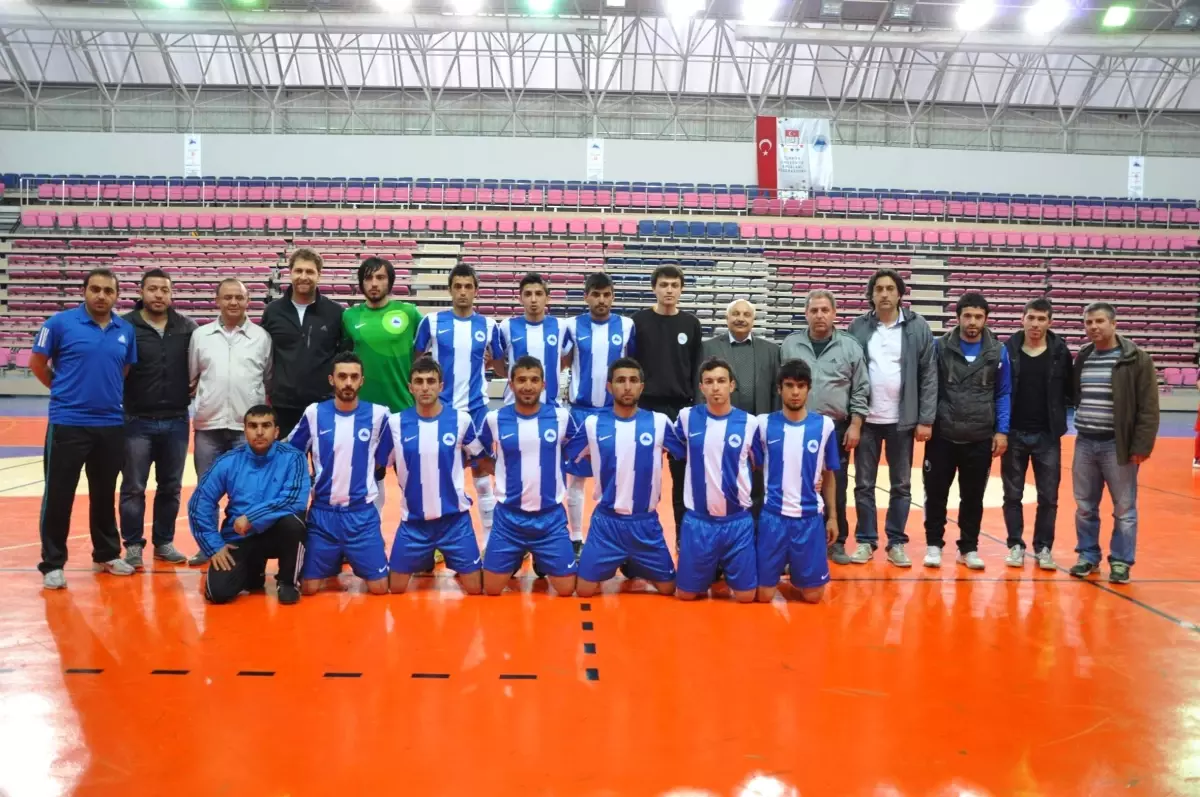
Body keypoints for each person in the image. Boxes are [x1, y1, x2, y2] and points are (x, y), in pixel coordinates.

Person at [32, 268, 139, 589]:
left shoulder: (125, 329)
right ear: (84, 291)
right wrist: (63, 391)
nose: (102, 295)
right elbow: (37, 364)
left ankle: (106, 553)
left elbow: (124, 368)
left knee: (104, 494)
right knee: (59, 495)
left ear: (117, 295)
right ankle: (52, 562)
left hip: (109, 424)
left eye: (109, 290)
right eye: (96, 289)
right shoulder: (59, 324)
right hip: (68, 423)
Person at [566, 358, 684, 597]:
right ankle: (617, 560)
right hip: (606, 524)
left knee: (670, 589)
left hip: (645, 524)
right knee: (585, 590)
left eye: (633, 381)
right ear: (609, 387)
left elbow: (685, 453)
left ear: (642, 386)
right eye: (620, 381)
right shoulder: (593, 424)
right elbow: (568, 454)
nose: (627, 387)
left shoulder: (659, 422)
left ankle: (633, 561)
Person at [846, 268, 937, 567]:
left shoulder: (917, 326)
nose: (884, 293)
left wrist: (925, 418)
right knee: (863, 484)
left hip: (902, 420)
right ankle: (865, 540)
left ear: (900, 293)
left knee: (901, 485)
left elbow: (928, 374)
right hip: (867, 420)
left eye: (890, 288)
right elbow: (848, 373)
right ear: (871, 294)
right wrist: (853, 418)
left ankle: (896, 542)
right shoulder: (857, 327)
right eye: (879, 289)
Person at [286, 352, 391, 595]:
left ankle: (355, 554)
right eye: (342, 376)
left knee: (379, 588)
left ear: (362, 381)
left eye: (354, 377)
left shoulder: (380, 415)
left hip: (361, 515)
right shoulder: (314, 413)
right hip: (323, 515)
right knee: (309, 589)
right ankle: (333, 557)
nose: (348, 383)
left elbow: (385, 458)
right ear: (331, 379)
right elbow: (292, 453)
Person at [1069, 302, 1159, 584]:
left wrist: (1141, 446)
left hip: (1117, 445)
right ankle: (1087, 556)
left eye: (1099, 321)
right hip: (1084, 441)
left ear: (1113, 323)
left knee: (1124, 508)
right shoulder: (1084, 356)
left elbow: (1148, 406)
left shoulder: (1136, 359)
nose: (1093, 327)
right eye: (1088, 323)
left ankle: (1120, 561)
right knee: (1084, 505)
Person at [414, 263, 503, 545]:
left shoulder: (489, 326)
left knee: (482, 472)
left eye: (468, 287)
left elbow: (501, 369)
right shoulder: (432, 323)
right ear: (450, 290)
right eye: (458, 287)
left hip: (476, 410)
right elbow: (417, 362)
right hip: (443, 412)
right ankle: (439, 542)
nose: (463, 292)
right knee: (441, 475)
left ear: (476, 291)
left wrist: (493, 363)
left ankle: (489, 541)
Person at [474, 356, 578, 597]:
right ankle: (517, 555)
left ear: (543, 384)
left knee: (566, 590)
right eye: (521, 380)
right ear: (510, 384)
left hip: (550, 518)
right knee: (491, 589)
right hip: (509, 519)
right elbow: (479, 451)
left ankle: (542, 557)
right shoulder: (495, 419)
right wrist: (500, 471)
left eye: (534, 380)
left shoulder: (561, 417)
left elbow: (574, 448)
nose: (527, 386)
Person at [187, 277, 273, 566]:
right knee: (206, 491)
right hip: (208, 428)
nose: (233, 302)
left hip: (245, 430)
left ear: (248, 301)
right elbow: (192, 377)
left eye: (239, 297)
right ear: (217, 300)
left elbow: (267, 378)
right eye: (228, 297)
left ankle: (242, 543)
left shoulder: (262, 337)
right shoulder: (201, 336)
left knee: (246, 491)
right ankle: (207, 545)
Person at [382, 357, 485, 595]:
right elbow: (380, 465)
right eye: (419, 381)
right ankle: (426, 558)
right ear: (410, 387)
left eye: (431, 381)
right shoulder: (395, 423)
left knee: (476, 588)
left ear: (441, 385)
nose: (425, 387)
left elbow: (480, 458)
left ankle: (454, 561)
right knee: (394, 588)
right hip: (413, 523)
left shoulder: (461, 420)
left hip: (455, 522)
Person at [187, 405, 310, 605]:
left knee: (294, 522)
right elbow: (199, 503)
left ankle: (288, 582)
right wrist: (214, 546)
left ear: (276, 431)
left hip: (277, 534)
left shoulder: (293, 458)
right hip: (240, 537)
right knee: (217, 593)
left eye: (266, 426)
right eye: (253, 426)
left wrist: (252, 517)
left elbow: (294, 500)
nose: (259, 432)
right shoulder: (228, 461)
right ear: (245, 430)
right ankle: (254, 572)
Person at [922, 293, 1011, 570]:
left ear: (985, 319)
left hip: (979, 436)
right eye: (967, 316)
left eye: (978, 316)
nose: (972, 322)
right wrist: (925, 420)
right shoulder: (939, 348)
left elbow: (1003, 393)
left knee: (973, 497)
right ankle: (934, 545)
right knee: (936, 493)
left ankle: (968, 548)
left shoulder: (998, 352)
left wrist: (1002, 431)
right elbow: (930, 387)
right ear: (958, 317)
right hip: (942, 435)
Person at [780, 289, 868, 565]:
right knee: (794, 483)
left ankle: (836, 541)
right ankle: (791, 542)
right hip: (796, 426)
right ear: (806, 314)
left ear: (834, 314)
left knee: (836, 484)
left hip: (835, 428)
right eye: (814, 310)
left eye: (824, 310)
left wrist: (855, 424)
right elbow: (781, 385)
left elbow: (861, 389)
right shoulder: (790, 344)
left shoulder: (850, 347)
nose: (819, 315)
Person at [119, 268, 196, 568]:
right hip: (137, 419)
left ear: (171, 293)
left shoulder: (187, 327)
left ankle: (164, 541)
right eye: (152, 289)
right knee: (134, 487)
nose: (159, 295)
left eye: (164, 289)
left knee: (171, 486)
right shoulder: (125, 326)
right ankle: (134, 545)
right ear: (141, 292)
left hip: (177, 419)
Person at [672, 358, 761, 603]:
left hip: (737, 521)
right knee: (686, 595)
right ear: (701, 387)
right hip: (699, 522)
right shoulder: (686, 417)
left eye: (721, 381)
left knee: (745, 597)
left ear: (732, 385)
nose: (715, 387)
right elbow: (674, 448)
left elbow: (760, 463)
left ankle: (722, 570)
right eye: (709, 382)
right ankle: (706, 570)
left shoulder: (750, 423)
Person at [562, 272, 636, 552]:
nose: (601, 299)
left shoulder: (627, 326)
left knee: (617, 477)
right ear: (586, 296)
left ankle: (614, 536)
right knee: (577, 478)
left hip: (613, 413)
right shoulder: (571, 325)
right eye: (596, 294)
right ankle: (576, 538)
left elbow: (632, 366)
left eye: (606, 294)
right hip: (580, 412)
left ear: (613, 297)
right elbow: (563, 362)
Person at [755, 359, 840, 603]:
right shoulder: (763, 424)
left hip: (809, 519)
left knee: (813, 597)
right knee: (763, 596)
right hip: (773, 518)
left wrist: (832, 517)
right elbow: (753, 465)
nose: (795, 392)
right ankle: (783, 564)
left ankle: (798, 568)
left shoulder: (824, 426)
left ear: (808, 389)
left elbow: (829, 474)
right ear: (779, 389)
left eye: (801, 386)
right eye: (789, 385)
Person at [1001, 298, 1074, 571]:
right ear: (1022, 318)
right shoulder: (1008, 350)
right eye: (1031, 318)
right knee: (1012, 495)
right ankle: (1015, 546)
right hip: (1013, 434)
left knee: (1049, 497)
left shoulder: (1060, 352)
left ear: (1049, 322)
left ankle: (1043, 548)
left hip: (1047, 436)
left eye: (1041, 319)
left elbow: (1070, 388)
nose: (1035, 324)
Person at [633, 265, 704, 537]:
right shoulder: (638, 321)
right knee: (643, 476)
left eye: (674, 285)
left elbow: (697, 367)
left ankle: (683, 538)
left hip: (680, 408)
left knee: (682, 476)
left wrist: (695, 407)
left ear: (681, 289)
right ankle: (639, 537)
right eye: (664, 285)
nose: (669, 290)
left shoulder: (691, 324)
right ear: (654, 288)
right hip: (646, 407)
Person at [702, 299, 780, 516]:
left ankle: (754, 527)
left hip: (757, 428)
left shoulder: (771, 351)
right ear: (727, 318)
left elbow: (776, 392)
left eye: (746, 314)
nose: (740, 318)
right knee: (722, 479)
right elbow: (701, 388)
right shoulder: (709, 347)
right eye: (735, 313)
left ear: (753, 320)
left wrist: (772, 426)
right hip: (720, 427)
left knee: (756, 481)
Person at [261, 247, 345, 437]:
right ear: (290, 273)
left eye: (309, 271)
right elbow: (264, 355)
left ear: (319, 275)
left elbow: (343, 355)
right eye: (298, 271)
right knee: (286, 464)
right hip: (283, 406)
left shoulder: (335, 313)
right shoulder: (273, 312)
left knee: (323, 465)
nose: (303, 276)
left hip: (324, 405)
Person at [341, 256, 423, 412]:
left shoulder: (409, 313)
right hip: (362, 409)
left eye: (380, 277)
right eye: (368, 278)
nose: (374, 283)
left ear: (390, 282)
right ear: (361, 283)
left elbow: (432, 343)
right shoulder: (349, 316)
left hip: (402, 407)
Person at [497, 272, 571, 407]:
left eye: (538, 294)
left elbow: (567, 359)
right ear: (520, 299)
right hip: (514, 405)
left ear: (547, 298)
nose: (533, 299)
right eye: (527, 294)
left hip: (550, 406)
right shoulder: (506, 326)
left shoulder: (560, 326)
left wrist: (550, 370)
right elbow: (496, 362)